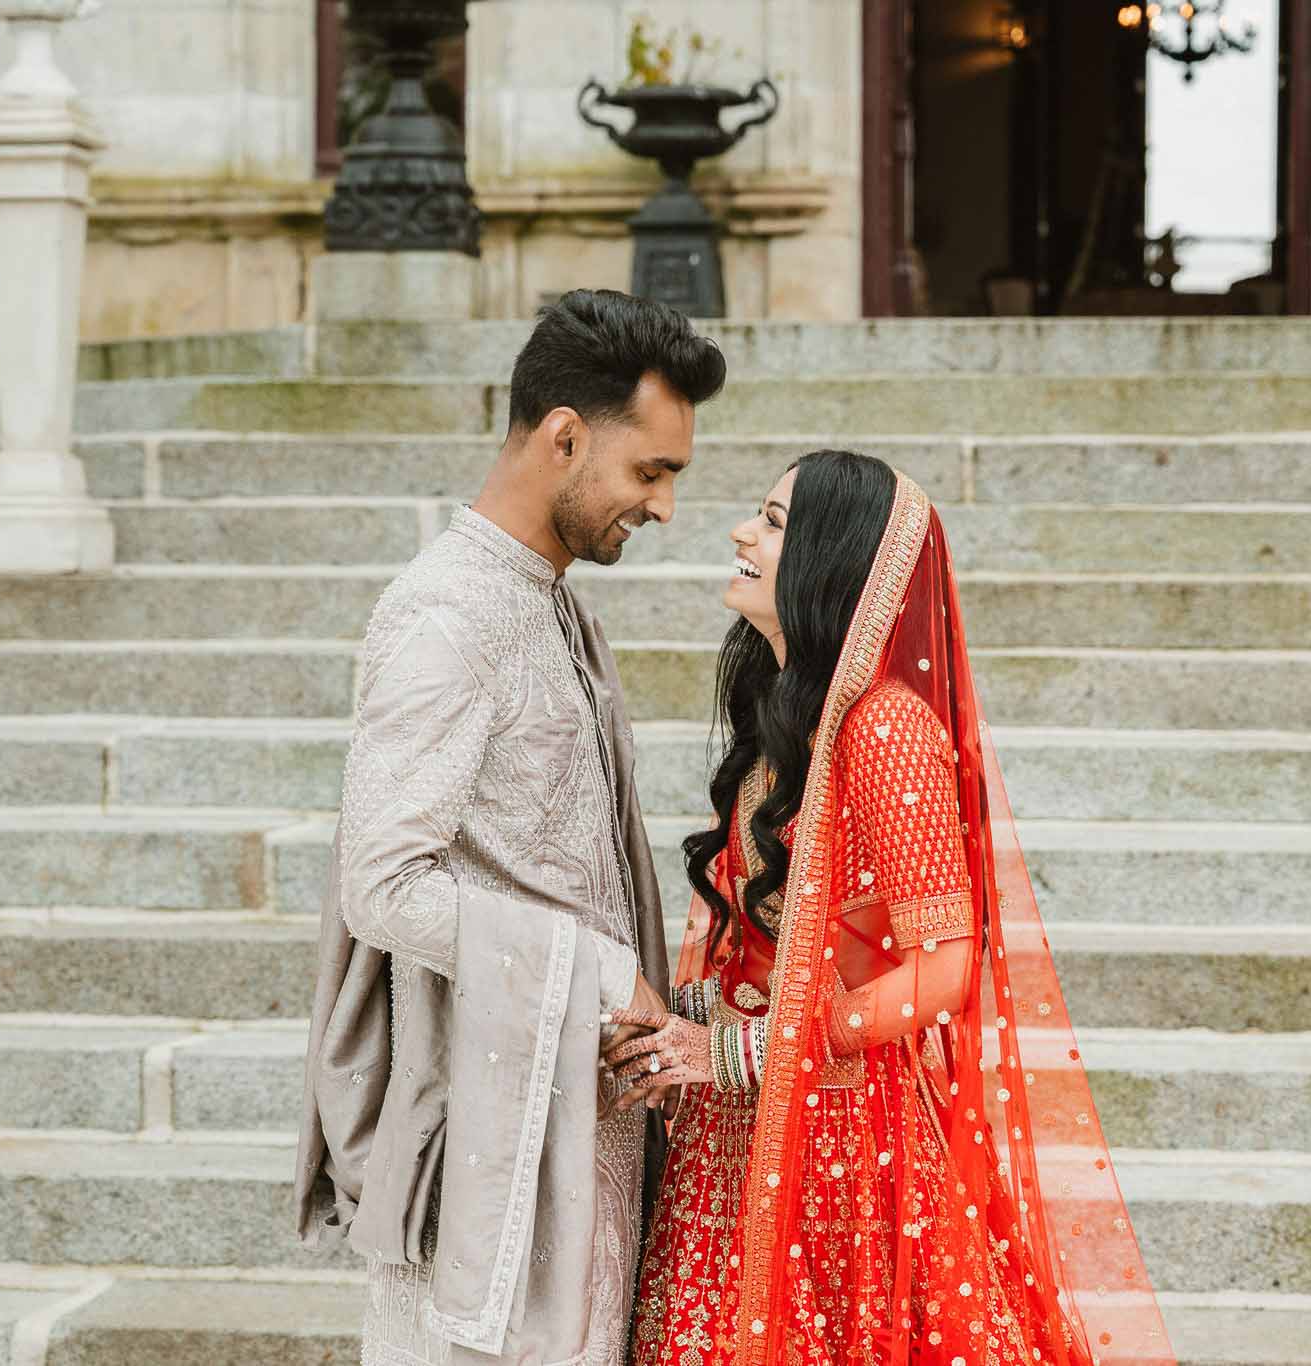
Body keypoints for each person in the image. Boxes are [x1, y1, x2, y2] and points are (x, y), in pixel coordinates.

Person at [606, 451, 1175, 1366]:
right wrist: (693, 1018)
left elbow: (944, 970)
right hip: (742, 1117)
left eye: (775, 520)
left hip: (841, 1137)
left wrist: (749, 1050)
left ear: (832, 558)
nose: (742, 533)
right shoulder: (789, 720)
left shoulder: (887, 728)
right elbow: (771, 945)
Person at [292, 289, 726, 1366]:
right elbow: (382, 885)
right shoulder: (444, 614)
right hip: (491, 1136)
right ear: (563, 436)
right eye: (649, 471)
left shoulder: (550, 599)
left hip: (577, 1123)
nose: (664, 506)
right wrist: (592, 968)